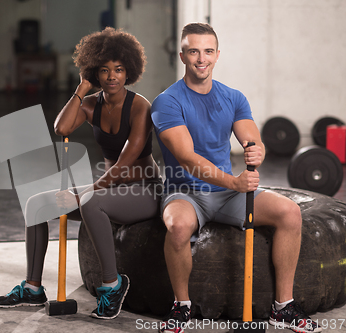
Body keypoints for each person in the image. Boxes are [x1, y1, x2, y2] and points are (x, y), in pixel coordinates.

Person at [151, 23, 321, 333]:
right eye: (193, 52)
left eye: (207, 51)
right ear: (182, 55)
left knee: (290, 212)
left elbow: (251, 139)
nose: (201, 59)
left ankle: (283, 307)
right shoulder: (167, 102)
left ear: (217, 55)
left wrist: (256, 151)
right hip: (186, 192)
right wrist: (233, 182)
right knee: (177, 226)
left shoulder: (233, 97)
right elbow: (188, 160)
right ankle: (181, 306)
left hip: (227, 195)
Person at [0, 27, 162, 320]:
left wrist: (89, 190)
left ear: (129, 72)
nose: (112, 76)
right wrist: (81, 90)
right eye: (105, 70)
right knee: (36, 204)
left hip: (143, 190)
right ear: (94, 72)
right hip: (106, 191)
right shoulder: (92, 103)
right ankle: (32, 289)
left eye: (119, 70)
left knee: (90, 201)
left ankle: (112, 285)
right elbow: (62, 128)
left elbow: (125, 161)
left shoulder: (140, 107)